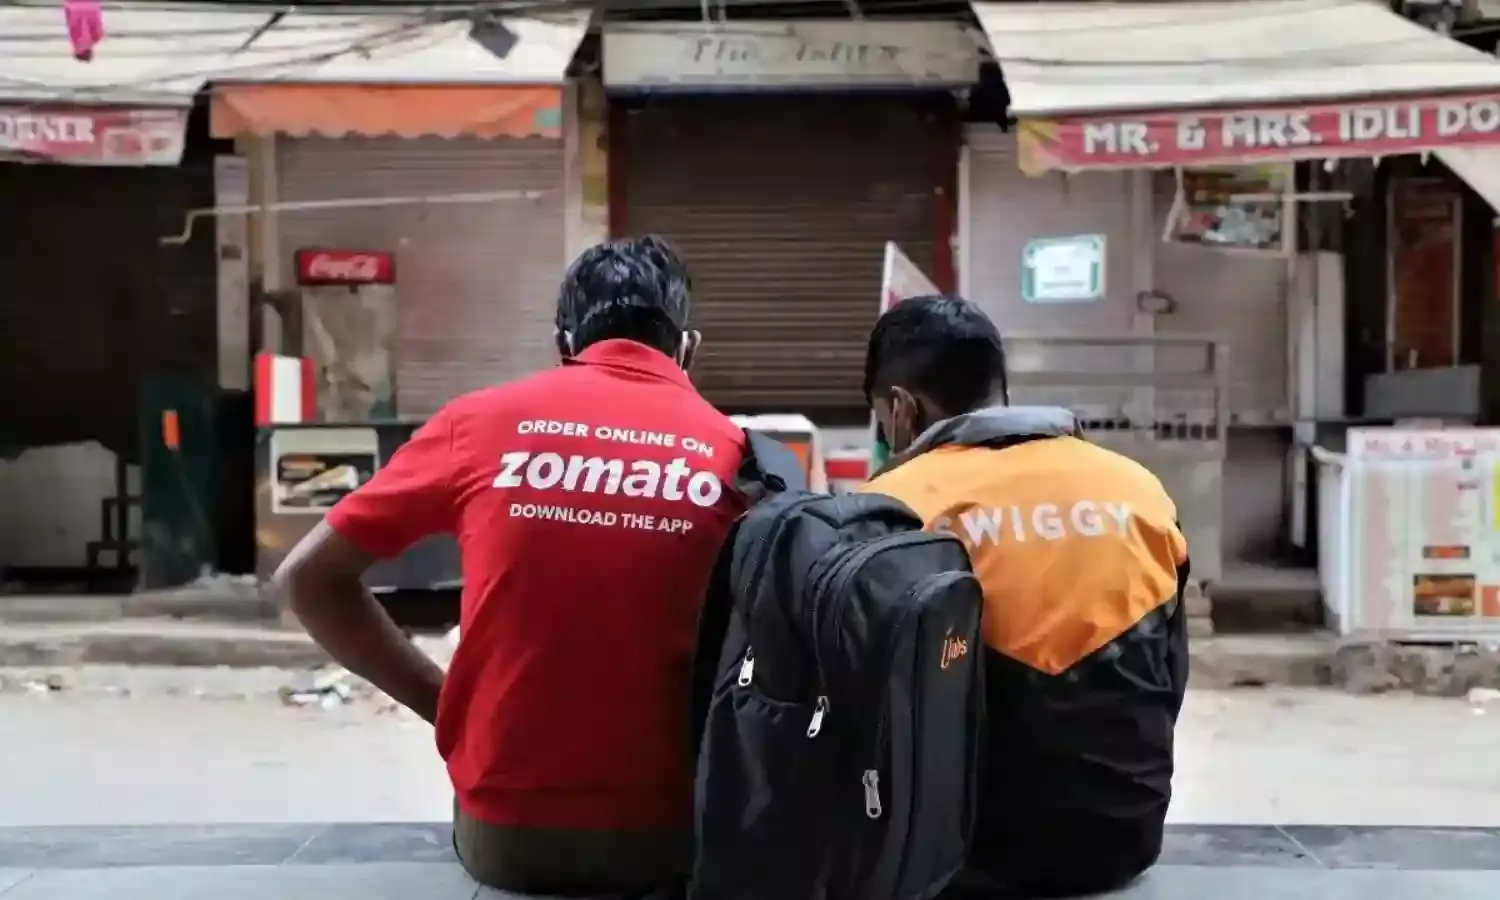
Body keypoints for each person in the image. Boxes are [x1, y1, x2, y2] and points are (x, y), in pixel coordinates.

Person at [274, 236, 747, 896]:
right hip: (675, 836)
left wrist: (446, 708)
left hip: (510, 839)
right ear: (688, 350)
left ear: (562, 343)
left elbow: (306, 579)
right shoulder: (745, 457)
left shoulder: (479, 423)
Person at [858, 296, 1189, 898]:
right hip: (1124, 838)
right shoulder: (1136, 487)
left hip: (962, 857)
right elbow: (1171, 669)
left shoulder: (894, 503)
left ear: (902, 408)